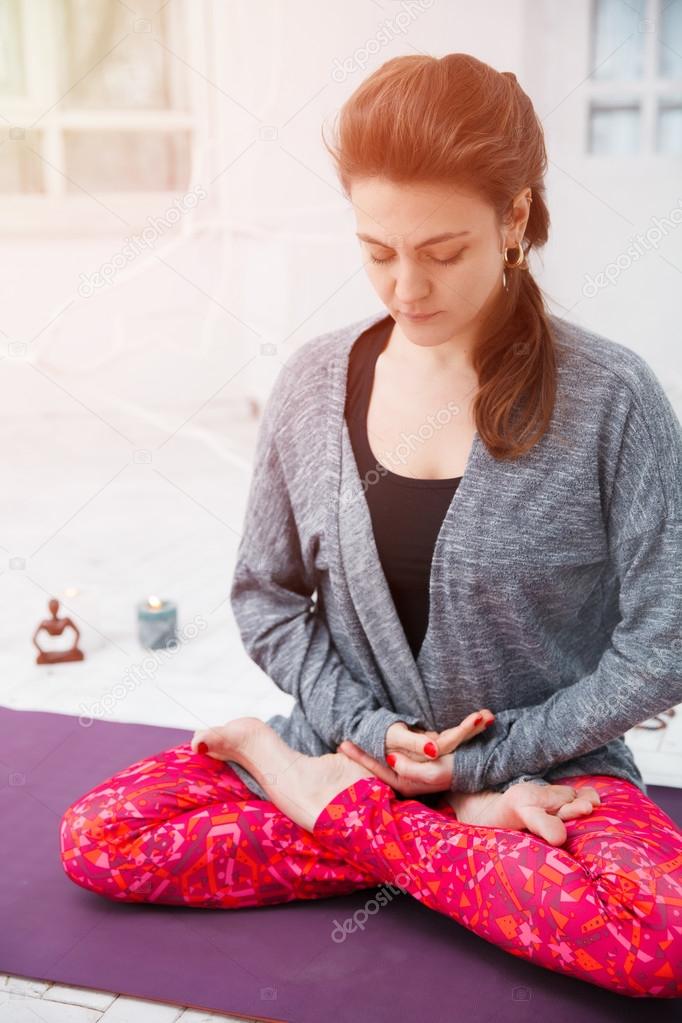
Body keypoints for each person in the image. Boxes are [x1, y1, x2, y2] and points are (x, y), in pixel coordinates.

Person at [59, 53, 682, 998]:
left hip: (546, 776)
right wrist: (389, 753)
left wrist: (482, 761)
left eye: (441, 253)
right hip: (342, 748)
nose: (405, 289)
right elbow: (263, 595)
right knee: (100, 834)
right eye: (377, 251)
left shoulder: (614, 400)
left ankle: (350, 816)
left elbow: (662, 643)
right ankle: (442, 833)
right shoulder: (313, 385)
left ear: (513, 218)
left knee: (660, 934)